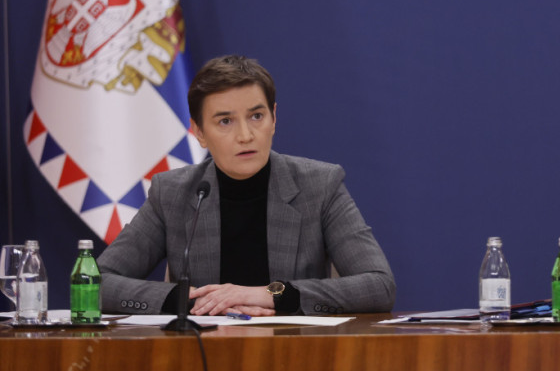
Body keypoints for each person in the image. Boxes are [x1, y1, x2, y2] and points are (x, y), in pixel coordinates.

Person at [98, 55, 395, 316]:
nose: (245, 135)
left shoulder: (320, 185)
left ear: (273, 118)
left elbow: (379, 285)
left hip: (294, 350)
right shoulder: (173, 193)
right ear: (199, 132)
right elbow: (93, 283)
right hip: (202, 351)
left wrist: (270, 294)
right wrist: (188, 299)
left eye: (256, 116)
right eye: (225, 121)